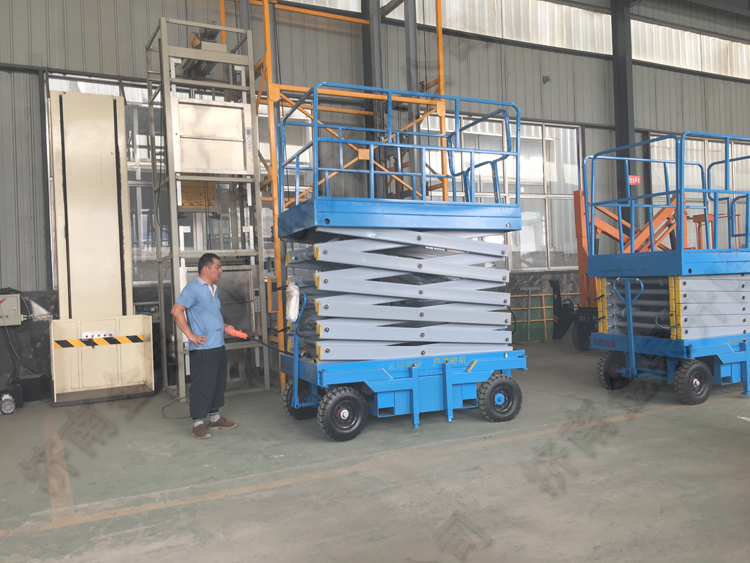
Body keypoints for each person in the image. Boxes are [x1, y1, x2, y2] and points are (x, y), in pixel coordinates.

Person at [171, 253, 238, 439]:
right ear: (205, 269)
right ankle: (197, 424)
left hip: (218, 345)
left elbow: (211, 314)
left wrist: (225, 326)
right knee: (202, 385)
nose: (220, 270)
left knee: (217, 382)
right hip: (203, 348)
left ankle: (215, 419)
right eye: (217, 267)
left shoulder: (213, 289)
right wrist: (190, 335)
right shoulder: (192, 289)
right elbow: (176, 311)